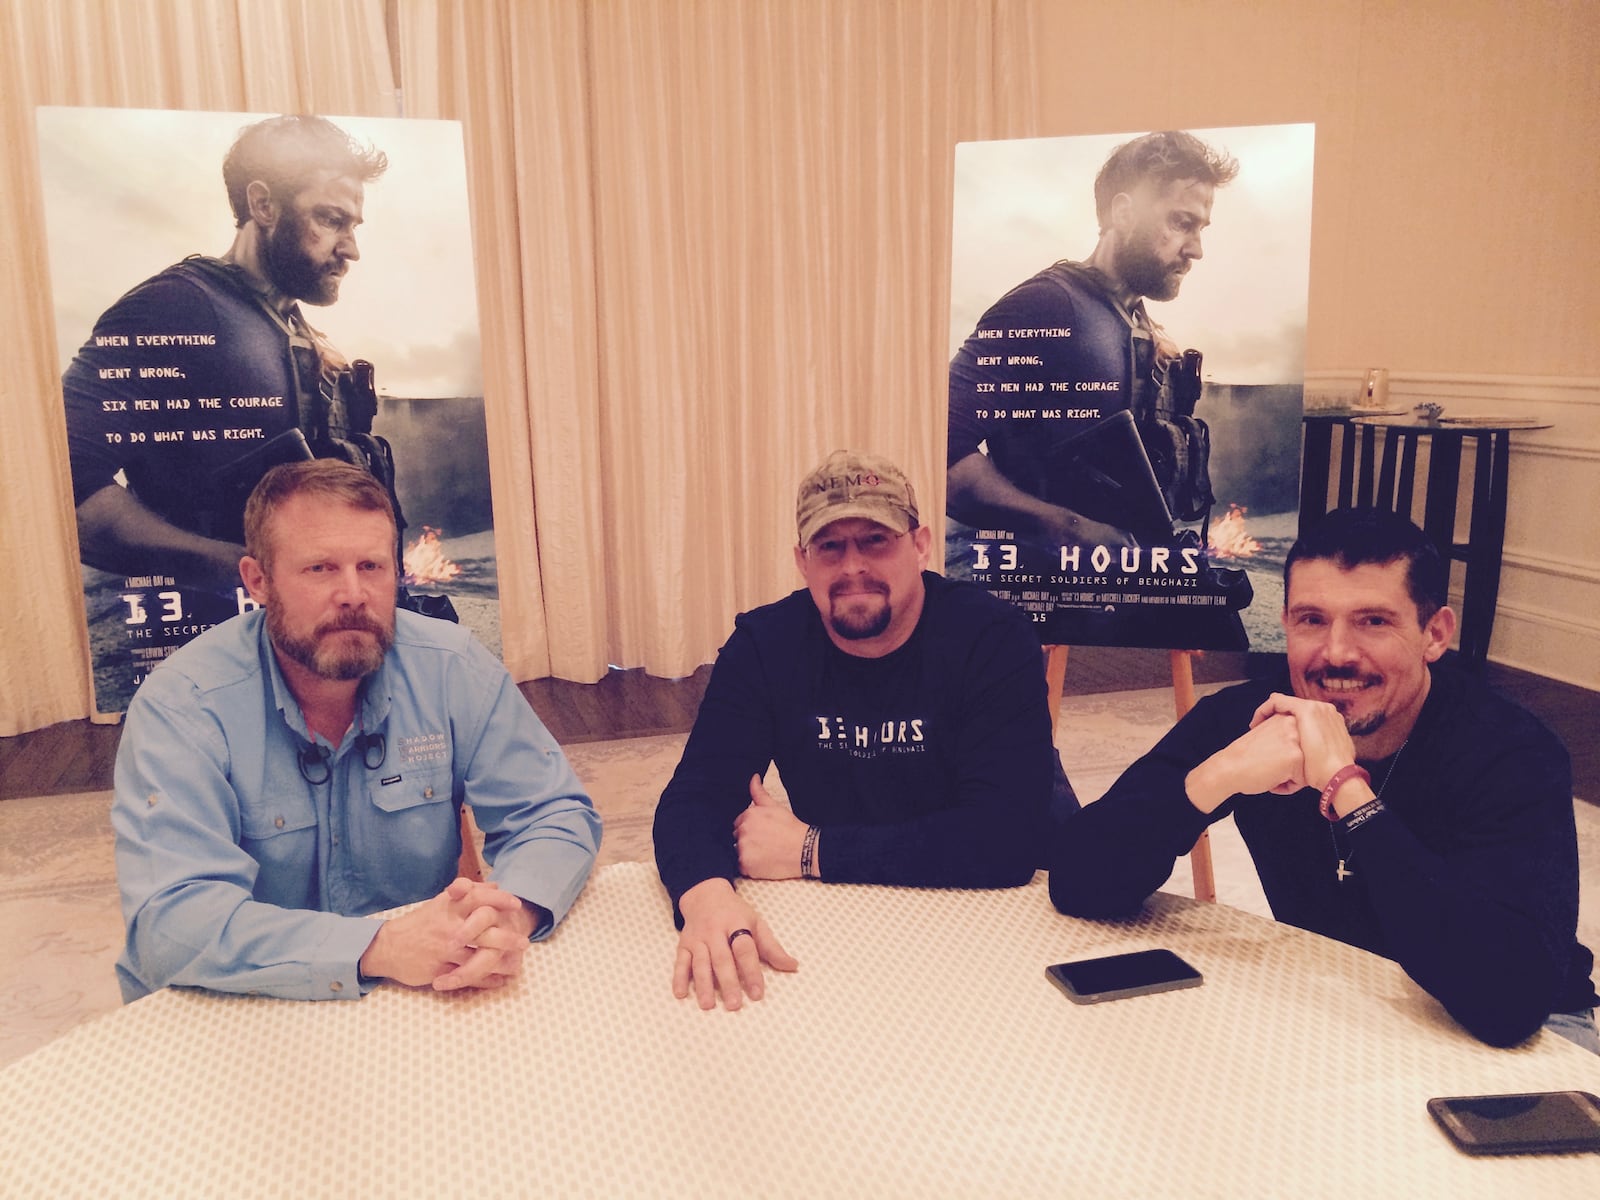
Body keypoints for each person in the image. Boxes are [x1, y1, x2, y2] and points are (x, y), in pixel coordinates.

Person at [1049, 507, 1598, 1051]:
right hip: (1345, 996)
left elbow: (1508, 1003)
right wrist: (1218, 775)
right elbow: (1077, 882)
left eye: (1373, 621)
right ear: (1285, 623)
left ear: (1434, 634)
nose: (1337, 653)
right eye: (1312, 620)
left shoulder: (1512, 752)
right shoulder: (1250, 720)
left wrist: (1347, 790)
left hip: (1534, 1028)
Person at [112, 460, 601, 1002]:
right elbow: (171, 922)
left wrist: (512, 911)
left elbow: (553, 812)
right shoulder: (182, 706)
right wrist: (374, 947)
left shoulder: (451, 667)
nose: (353, 594)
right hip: (241, 1005)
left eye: (371, 566)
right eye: (320, 568)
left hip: (414, 997)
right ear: (258, 581)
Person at [654, 450, 1069, 1011]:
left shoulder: (991, 637)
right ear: (802, 561)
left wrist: (810, 850)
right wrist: (706, 897)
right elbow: (695, 796)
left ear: (920, 545)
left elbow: (1002, 841)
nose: (853, 566)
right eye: (830, 545)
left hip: (1005, 908)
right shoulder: (765, 645)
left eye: (876, 539)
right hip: (848, 905)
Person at [945, 130, 1248, 648]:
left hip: (1138, 570)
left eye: (1201, 228)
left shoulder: (1132, 314)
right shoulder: (1045, 305)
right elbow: (939, 445)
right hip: (1076, 592)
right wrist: (1064, 525)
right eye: (1182, 222)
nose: (1196, 248)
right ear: (1124, 212)